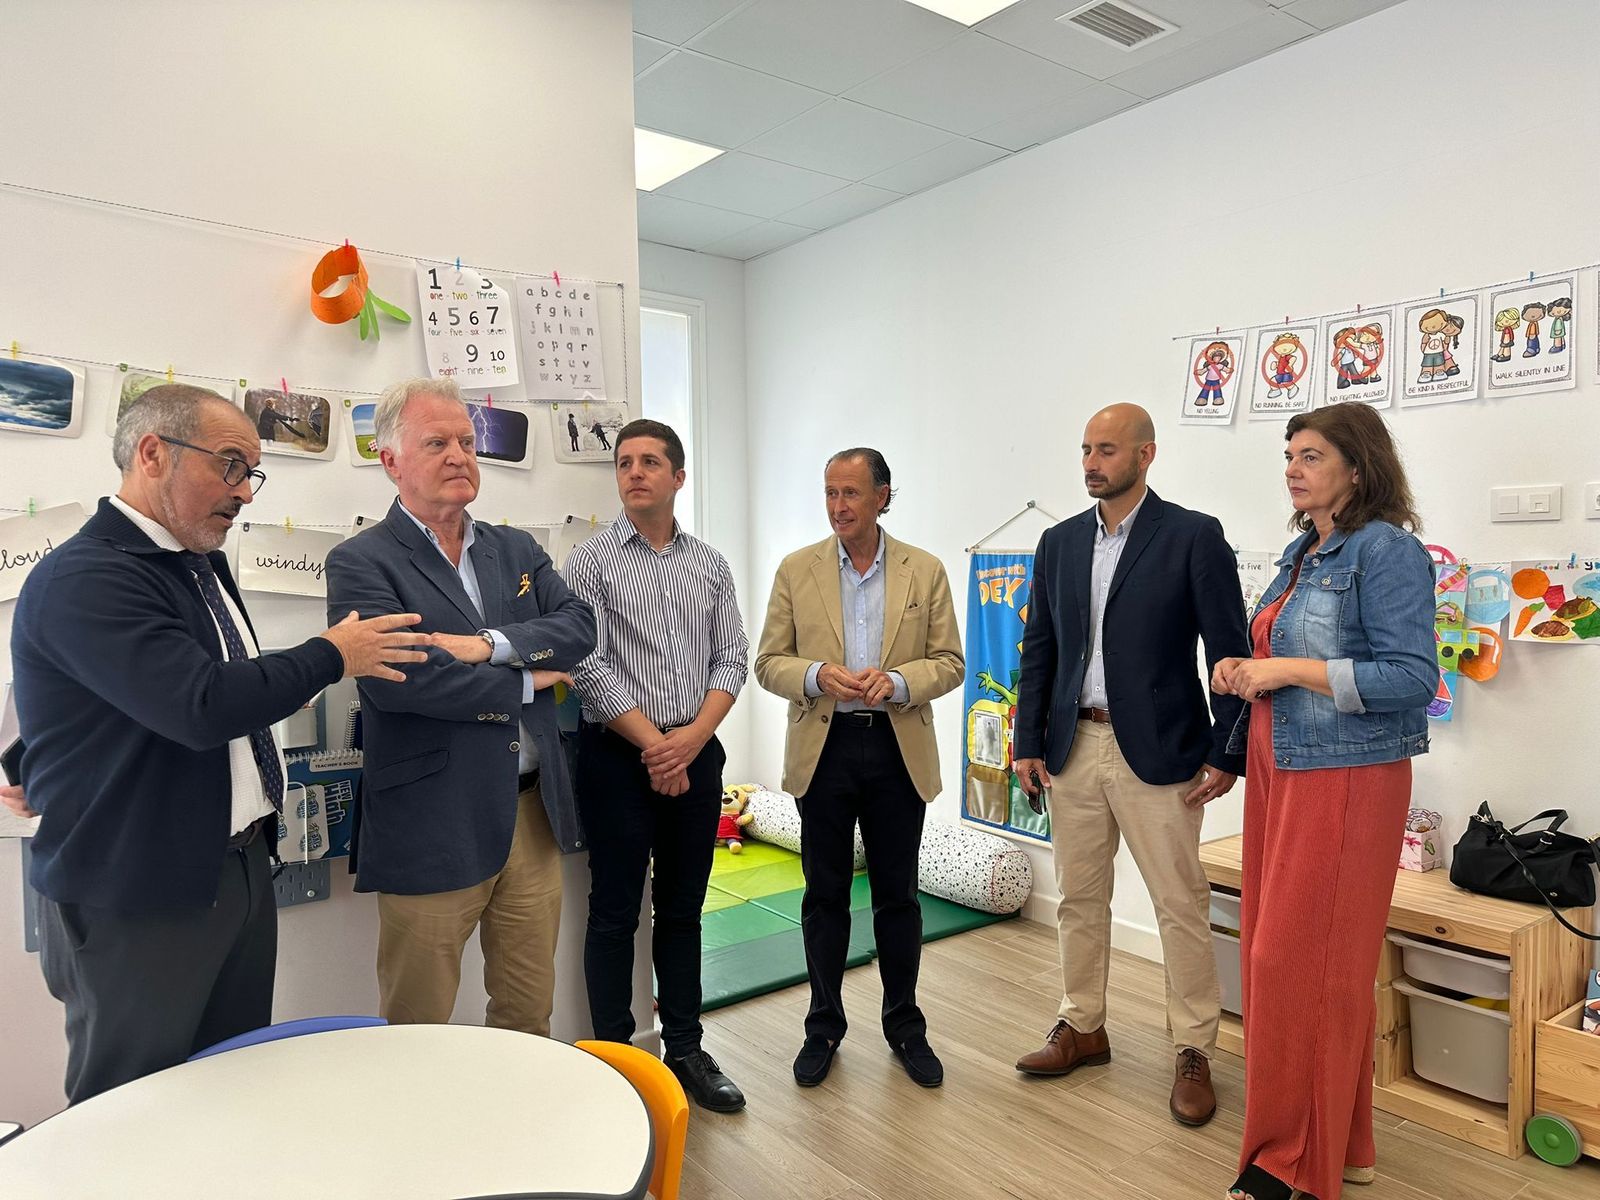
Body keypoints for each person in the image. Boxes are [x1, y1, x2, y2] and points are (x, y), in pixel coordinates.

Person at [7, 384, 426, 1104]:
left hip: (231, 869)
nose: (245, 493)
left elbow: (98, 694)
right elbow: (199, 705)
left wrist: (24, 755)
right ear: (151, 453)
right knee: (131, 1108)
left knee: (228, 1090)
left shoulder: (194, 562)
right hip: (137, 891)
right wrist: (333, 654)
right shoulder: (89, 575)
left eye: (252, 473)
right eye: (231, 466)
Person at [325, 378, 595, 1037]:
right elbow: (401, 677)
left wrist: (484, 647)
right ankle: (422, 1141)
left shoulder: (518, 549)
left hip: (532, 816)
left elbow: (579, 629)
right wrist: (532, 682)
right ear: (389, 461)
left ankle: (515, 1136)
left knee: (529, 1009)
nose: (459, 455)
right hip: (430, 822)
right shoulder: (361, 562)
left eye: (468, 442)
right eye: (437, 442)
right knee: (421, 1024)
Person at [1213, 402, 1435, 1200]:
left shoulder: (1388, 551)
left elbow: (1414, 680)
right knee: (1291, 963)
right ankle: (1342, 1144)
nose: (1293, 468)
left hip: (1345, 777)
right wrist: (1245, 669)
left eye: (1311, 455)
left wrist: (1285, 673)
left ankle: (1288, 1163)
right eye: (1290, 455)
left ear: (1356, 466)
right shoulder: (1304, 550)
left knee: (1296, 968)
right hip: (1285, 765)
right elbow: (1286, 650)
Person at [1011, 403, 1249, 1128]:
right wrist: (1026, 739)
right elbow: (1041, 648)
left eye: (1107, 449)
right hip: (1072, 747)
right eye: (1086, 448)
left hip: (1163, 750)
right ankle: (1082, 1024)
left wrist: (1226, 747)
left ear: (1146, 455)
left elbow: (1228, 648)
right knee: (1079, 898)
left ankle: (1193, 1048)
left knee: (1179, 903)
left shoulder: (1192, 536)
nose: (1091, 462)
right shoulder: (1056, 542)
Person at [755, 448, 964, 1090]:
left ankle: (904, 1025)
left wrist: (899, 681)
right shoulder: (797, 569)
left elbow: (950, 662)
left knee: (898, 899)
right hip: (826, 747)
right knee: (824, 898)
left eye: (850, 493)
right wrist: (818, 675)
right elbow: (768, 662)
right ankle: (823, 1027)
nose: (838, 507)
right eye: (829, 493)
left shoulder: (923, 570)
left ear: (883, 497)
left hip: (898, 748)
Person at [562, 419, 749, 1112]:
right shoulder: (589, 562)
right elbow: (587, 664)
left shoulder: (711, 565)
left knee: (683, 911)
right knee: (612, 912)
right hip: (617, 757)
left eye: (650, 462)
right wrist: (655, 746)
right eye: (624, 463)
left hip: (695, 753)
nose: (635, 472)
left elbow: (733, 656)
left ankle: (688, 1049)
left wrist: (691, 740)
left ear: (678, 476)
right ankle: (614, 1060)